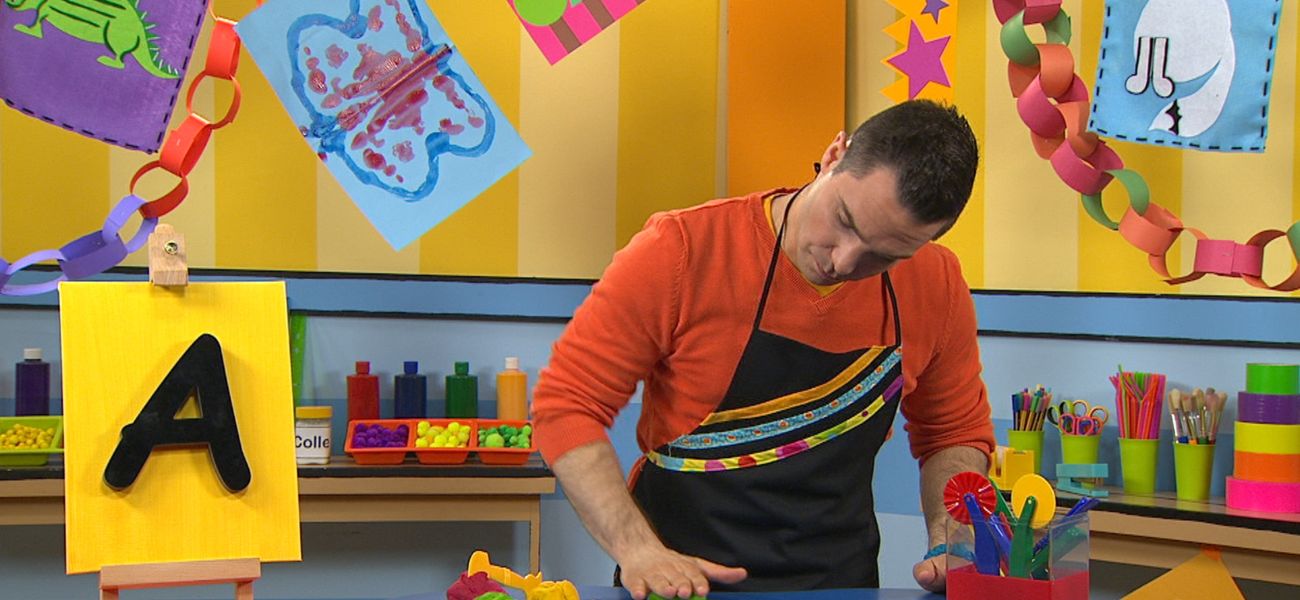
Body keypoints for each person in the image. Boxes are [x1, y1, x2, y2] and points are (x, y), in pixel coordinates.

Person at [532, 99, 995, 599]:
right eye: (845, 220)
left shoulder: (936, 283)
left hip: (838, 584)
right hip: (678, 585)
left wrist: (953, 539)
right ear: (835, 155)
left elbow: (952, 432)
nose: (843, 262)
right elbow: (567, 404)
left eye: (884, 256)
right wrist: (637, 549)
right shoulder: (683, 249)